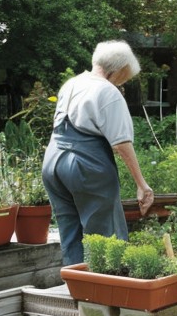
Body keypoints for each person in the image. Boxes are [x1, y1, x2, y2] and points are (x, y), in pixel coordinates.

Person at [43, 41, 154, 265]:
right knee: (105, 236)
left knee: (70, 231)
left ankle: (75, 287)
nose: (124, 81)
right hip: (85, 164)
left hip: (53, 160)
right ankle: (104, 292)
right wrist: (142, 184)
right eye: (126, 76)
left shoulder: (71, 83)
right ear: (119, 69)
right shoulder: (108, 91)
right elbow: (121, 143)